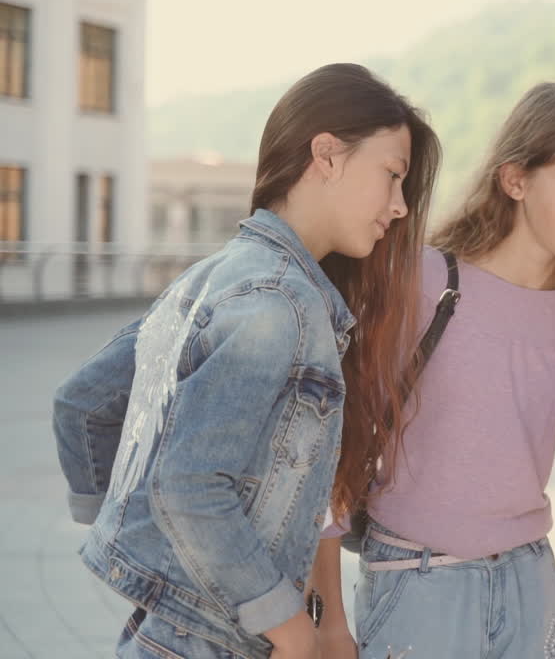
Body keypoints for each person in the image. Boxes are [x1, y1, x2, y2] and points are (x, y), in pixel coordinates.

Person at [52, 63, 440, 659]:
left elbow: (81, 405)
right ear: (327, 156)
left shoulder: (216, 275)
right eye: (392, 176)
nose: (400, 206)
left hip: (161, 634)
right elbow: (189, 485)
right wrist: (288, 626)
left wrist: (155, 564)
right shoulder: (280, 304)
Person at [310, 82, 555, 659]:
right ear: (514, 180)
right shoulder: (423, 282)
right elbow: (332, 450)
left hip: (529, 584)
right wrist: (328, 619)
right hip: (418, 583)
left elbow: (522, 431)